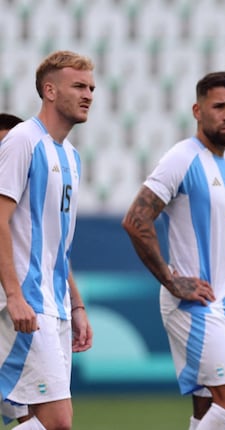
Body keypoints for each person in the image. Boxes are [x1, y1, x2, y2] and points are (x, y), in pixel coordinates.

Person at [122, 71, 225, 430]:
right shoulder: (181, 158)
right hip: (194, 305)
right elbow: (136, 220)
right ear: (197, 110)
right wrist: (170, 280)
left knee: (206, 407)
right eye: (219, 106)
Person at [0, 50, 95, 430]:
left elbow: (57, 244)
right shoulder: (23, 140)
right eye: (79, 86)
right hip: (27, 303)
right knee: (57, 422)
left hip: (54, 308)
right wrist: (13, 294)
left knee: (31, 417)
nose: (88, 94)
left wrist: (76, 305)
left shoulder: (72, 156)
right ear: (50, 90)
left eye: (91, 87)